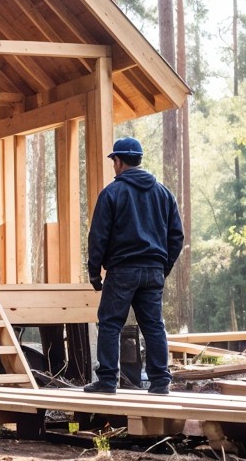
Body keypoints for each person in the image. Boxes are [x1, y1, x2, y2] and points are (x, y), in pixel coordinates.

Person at [83, 137, 184, 395]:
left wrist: (94, 271)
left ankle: (107, 381)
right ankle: (161, 381)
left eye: (113, 160)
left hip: (122, 270)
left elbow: (98, 236)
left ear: (118, 161)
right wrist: (164, 267)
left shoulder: (111, 194)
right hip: (153, 271)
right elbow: (176, 237)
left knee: (110, 323)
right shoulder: (164, 194)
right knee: (153, 325)